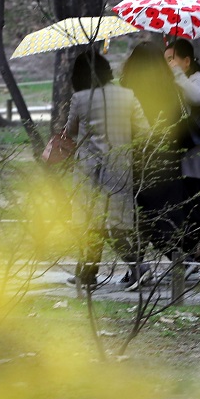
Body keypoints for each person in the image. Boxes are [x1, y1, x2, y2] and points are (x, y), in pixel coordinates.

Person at [63, 51, 151, 288]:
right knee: (113, 221)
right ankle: (87, 273)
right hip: (120, 167)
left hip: (89, 170)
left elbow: (70, 131)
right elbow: (144, 130)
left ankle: (136, 266)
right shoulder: (127, 95)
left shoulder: (80, 98)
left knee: (94, 222)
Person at [119, 40, 186, 283]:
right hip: (168, 157)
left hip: (139, 157)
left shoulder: (128, 92)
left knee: (141, 214)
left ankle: (143, 266)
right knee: (164, 212)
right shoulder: (172, 89)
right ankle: (171, 259)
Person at [165, 38, 200, 269]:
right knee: (188, 202)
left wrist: (177, 76)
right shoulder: (183, 79)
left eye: (171, 59)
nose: (167, 64)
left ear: (186, 61)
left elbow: (198, 97)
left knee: (196, 201)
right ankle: (195, 250)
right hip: (189, 152)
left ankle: (196, 249)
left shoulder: (198, 79)